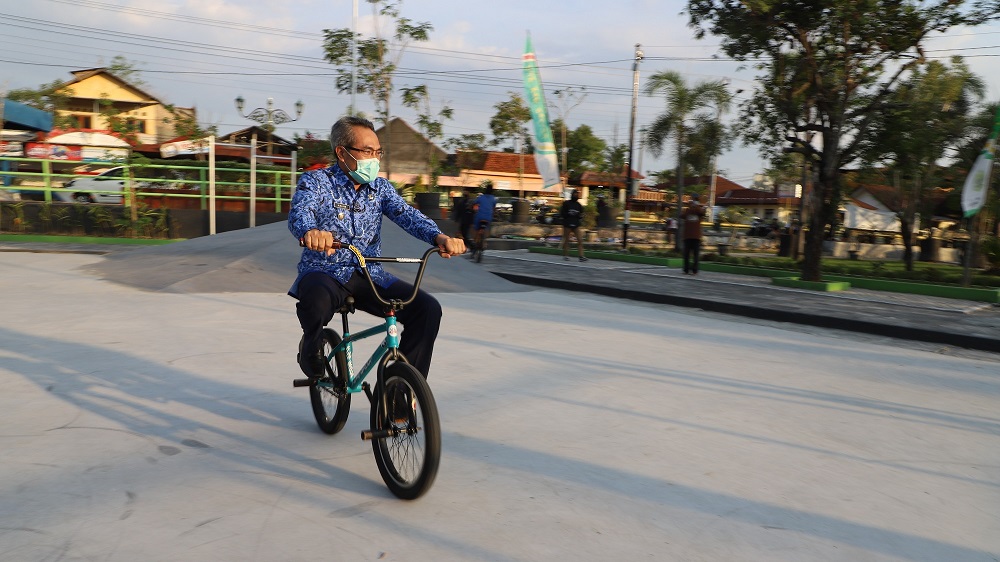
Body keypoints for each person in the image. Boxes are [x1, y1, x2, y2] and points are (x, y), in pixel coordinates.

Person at [288, 116, 466, 381]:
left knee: (427, 310)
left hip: (370, 274)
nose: (375, 158)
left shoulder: (380, 188)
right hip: (325, 269)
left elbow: (407, 215)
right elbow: (300, 212)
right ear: (342, 152)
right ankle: (310, 346)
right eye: (367, 151)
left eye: (378, 152)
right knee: (316, 301)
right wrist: (310, 232)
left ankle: (400, 392)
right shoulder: (317, 182)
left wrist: (438, 237)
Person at [560, 189, 589, 261]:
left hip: (576, 224)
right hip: (567, 223)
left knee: (580, 240)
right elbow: (562, 214)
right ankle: (566, 255)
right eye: (574, 194)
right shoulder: (566, 203)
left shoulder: (579, 205)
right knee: (567, 240)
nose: (576, 195)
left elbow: (581, 214)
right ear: (572, 195)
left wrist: (581, 216)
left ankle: (581, 256)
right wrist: (568, 214)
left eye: (577, 194)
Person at [470, 184, 496, 261]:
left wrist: (474, 209)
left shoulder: (481, 197)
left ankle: (475, 241)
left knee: (475, 229)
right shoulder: (493, 199)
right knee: (487, 229)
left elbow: (474, 205)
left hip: (479, 216)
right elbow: (493, 208)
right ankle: (484, 241)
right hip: (488, 217)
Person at [682, 194, 706, 275]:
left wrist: (696, 205)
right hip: (688, 236)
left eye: (694, 199)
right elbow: (682, 215)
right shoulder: (688, 211)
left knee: (695, 255)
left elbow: (701, 212)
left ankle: (694, 270)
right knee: (687, 255)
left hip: (695, 237)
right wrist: (693, 206)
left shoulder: (699, 211)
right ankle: (686, 269)